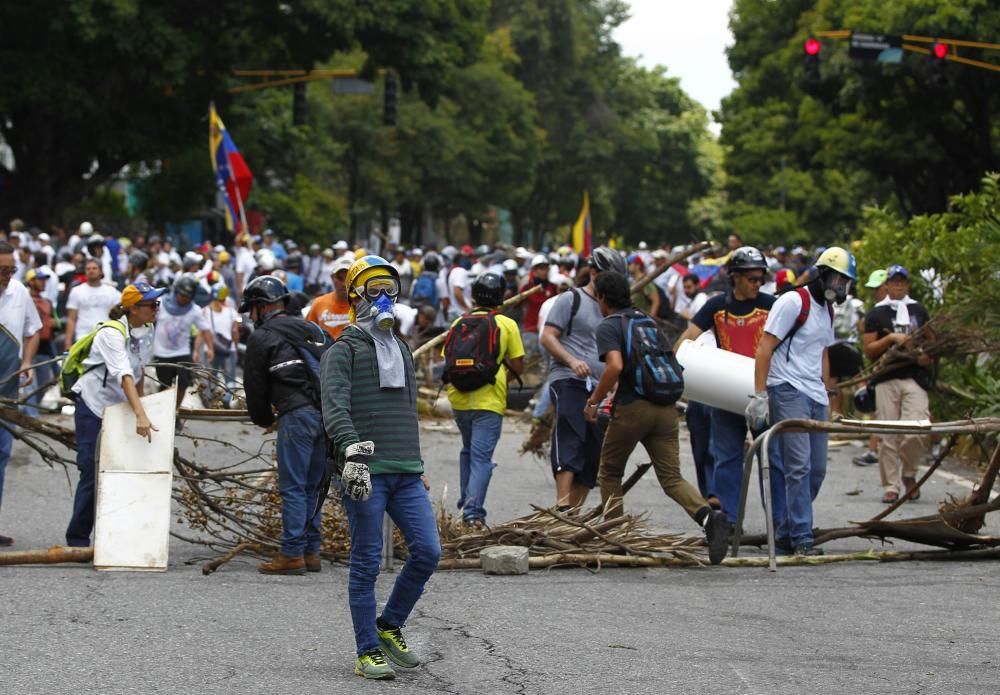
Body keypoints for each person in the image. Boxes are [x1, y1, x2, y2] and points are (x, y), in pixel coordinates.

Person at [321, 255, 440, 680]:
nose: (385, 299)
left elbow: (407, 410)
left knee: (428, 551)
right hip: (364, 471)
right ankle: (366, 650)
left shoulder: (402, 349)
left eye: (391, 290)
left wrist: (417, 461)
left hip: (406, 471)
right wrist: (352, 454)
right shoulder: (343, 348)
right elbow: (334, 409)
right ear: (355, 296)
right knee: (367, 560)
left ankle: (389, 626)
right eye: (375, 291)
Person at [586, 271, 729, 564]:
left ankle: (615, 538)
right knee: (672, 477)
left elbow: (614, 366)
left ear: (602, 297)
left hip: (633, 409)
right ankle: (707, 518)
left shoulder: (609, 325)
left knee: (610, 472)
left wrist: (594, 400)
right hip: (665, 408)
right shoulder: (646, 321)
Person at [748, 247, 856, 556]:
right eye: (838, 278)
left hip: (815, 393)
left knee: (817, 469)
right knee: (798, 466)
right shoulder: (794, 302)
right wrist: (760, 395)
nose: (841, 286)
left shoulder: (827, 310)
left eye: (846, 281)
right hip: (787, 389)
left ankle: (785, 530)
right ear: (822, 274)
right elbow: (765, 347)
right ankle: (801, 538)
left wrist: (826, 387)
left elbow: (821, 351)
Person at [674, 246, 779, 530]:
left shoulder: (772, 305)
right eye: (752, 278)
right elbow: (687, 339)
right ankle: (729, 521)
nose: (757, 284)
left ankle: (778, 522)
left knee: (771, 458)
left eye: (760, 278)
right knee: (726, 458)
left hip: (762, 390)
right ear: (735, 277)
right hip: (727, 389)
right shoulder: (716, 306)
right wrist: (675, 370)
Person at [64, 282, 163, 547]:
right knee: (91, 468)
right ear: (133, 308)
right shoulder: (111, 333)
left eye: (157, 304)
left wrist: (141, 408)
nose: (156, 309)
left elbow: (139, 370)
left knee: (123, 467)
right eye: (151, 304)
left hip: (120, 406)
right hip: (93, 405)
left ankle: (117, 537)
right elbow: (124, 375)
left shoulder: (147, 329)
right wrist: (140, 415)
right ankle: (78, 540)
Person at [242, 275, 328, 575]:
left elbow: (255, 388)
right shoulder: (311, 329)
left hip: (296, 415)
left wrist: (264, 419)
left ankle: (292, 554)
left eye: (251, 309)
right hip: (326, 415)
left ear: (260, 307)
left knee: (293, 486)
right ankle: (311, 551)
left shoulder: (262, 337)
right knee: (313, 486)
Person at [540, 247, 627, 509]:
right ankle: (562, 503)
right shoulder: (570, 299)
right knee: (571, 433)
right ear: (593, 273)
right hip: (568, 378)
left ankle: (572, 516)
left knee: (594, 451)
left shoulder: (614, 308)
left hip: (601, 387)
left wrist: (615, 385)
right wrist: (571, 360)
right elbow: (547, 336)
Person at [444, 273, 524, 526]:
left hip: (458, 398)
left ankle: (466, 500)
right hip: (489, 400)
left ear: (474, 296)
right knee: (482, 458)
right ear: (501, 297)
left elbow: (447, 357)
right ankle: (472, 513)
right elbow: (518, 365)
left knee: (468, 450)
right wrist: (498, 377)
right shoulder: (506, 324)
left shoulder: (458, 322)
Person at [862, 265, 933, 504]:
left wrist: (927, 356)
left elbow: (933, 343)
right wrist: (891, 339)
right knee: (887, 433)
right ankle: (891, 486)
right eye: (894, 282)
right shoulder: (876, 314)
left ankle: (909, 473)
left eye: (903, 282)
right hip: (886, 378)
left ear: (907, 285)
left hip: (914, 377)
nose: (899, 286)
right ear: (887, 285)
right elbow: (869, 349)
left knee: (918, 428)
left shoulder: (919, 310)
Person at [0, 241, 41, 547]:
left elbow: (33, 330)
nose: (8, 275)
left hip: (7, 388)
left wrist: (27, 362)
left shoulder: (19, 293)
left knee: (1, 455)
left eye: (12, 269)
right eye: (3, 270)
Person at [152, 276, 214, 413]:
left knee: (183, 384)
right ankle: (162, 412)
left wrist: (210, 348)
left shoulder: (195, 310)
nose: (184, 299)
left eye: (188, 296)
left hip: (182, 352)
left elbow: (205, 329)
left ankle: (175, 411)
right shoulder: (161, 304)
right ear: (176, 292)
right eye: (182, 295)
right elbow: (148, 320)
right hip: (161, 353)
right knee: (164, 385)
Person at [64, 258, 122, 350]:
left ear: (101, 271)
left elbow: (119, 316)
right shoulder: (76, 291)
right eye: (88, 269)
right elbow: (71, 319)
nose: (91, 271)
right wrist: (68, 342)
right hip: (83, 338)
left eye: (94, 268)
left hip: (106, 338)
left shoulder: (112, 292)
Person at [23, 269, 56, 418]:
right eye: (39, 279)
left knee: (43, 385)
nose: (43, 282)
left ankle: (26, 410)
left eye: (44, 279)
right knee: (31, 385)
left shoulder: (47, 302)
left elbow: (56, 322)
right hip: (28, 347)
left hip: (44, 347)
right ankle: (32, 417)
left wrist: (55, 324)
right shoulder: (23, 299)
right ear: (31, 281)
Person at [306, 257, 353, 340]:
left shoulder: (362, 305)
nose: (344, 284)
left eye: (348, 278)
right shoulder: (319, 303)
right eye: (340, 278)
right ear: (332, 278)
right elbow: (307, 334)